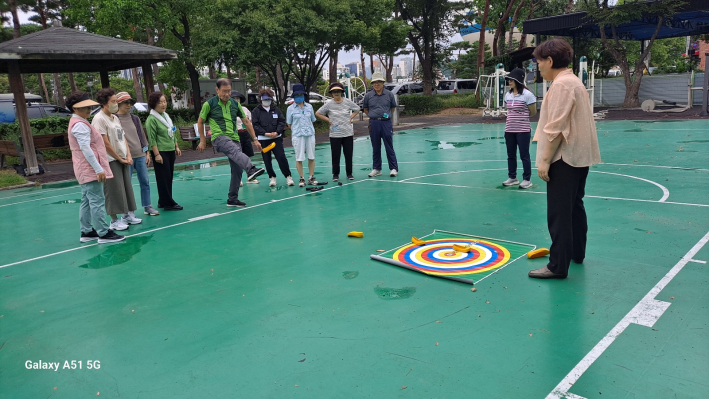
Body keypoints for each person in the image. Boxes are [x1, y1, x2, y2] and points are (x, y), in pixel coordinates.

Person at [528, 38, 601, 279]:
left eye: (539, 62)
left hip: (564, 158)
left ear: (549, 61)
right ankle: (576, 253)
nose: (537, 67)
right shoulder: (573, 81)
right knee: (574, 207)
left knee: (559, 214)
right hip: (579, 156)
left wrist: (545, 160)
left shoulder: (561, 85)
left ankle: (557, 265)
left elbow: (556, 128)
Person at [66, 91, 124, 243]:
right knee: (97, 201)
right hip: (89, 169)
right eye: (84, 107)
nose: (88, 110)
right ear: (74, 109)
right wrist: (98, 169)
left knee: (86, 200)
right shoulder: (80, 125)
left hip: (84, 169)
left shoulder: (78, 122)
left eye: (89, 107)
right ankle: (103, 233)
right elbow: (86, 148)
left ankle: (86, 231)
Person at [196, 79, 265, 206]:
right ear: (217, 90)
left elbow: (246, 122)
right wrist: (202, 140)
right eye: (224, 91)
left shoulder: (234, 104)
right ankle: (251, 169)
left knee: (237, 169)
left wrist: (255, 139)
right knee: (235, 152)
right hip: (219, 137)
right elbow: (200, 122)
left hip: (234, 138)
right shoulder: (209, 104)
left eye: (229, 91)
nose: (227, 94)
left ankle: (232, 199)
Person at [91, 88, 141, 230]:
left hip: (123, 158)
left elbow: (122, 137)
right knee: (113, 189)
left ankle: (127, 215)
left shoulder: (115, 118)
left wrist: (128, 155)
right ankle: (113, 220)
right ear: (104, 103)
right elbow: (104, 143)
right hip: (111, 160)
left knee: (125, 187)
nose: (115, 104)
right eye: (113, 102)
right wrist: (119, 158)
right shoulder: (99, 119)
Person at [114, 92, 159, 216]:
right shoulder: (114, 119)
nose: (129, 105)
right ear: (118, 104)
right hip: (125, 157)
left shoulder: (135, 118)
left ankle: (147, 206)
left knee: (145, 181)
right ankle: (128, 211)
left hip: (140, 155)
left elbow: (142, 136)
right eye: (125, 103)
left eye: (130, 103)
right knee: (126, 185)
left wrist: (147, 153)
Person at [146, 91, 183, 211]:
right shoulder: (152, 119)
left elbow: (172, 132)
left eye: (164, 101)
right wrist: (156, 154)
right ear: (153, 104)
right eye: (160, 102)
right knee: (163, 178)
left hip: (170, 149)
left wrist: (176, 146)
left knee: (168, 177)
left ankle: (163, 200)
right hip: (161, 152)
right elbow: (152, 139)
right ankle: (168, 203)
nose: (163, 104)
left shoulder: (165, 116)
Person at [316, 82, 360, 181]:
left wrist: (351, 118)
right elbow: (318, 113)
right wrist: (328, 120)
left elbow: (357, 109)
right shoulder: (328, 104)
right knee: (335, 155)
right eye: (334, 91)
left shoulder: (347, 102)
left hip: (348, 133)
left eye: (338, 91)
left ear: (342, 92)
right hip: (335, 134)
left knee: (348, 154)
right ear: (331, 93)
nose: (336, 93)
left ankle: (349, 173)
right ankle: (335, 174)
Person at [502, 68, 537, 189]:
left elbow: (533, 112)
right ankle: (513, 177)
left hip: (523, 130)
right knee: (511, 155)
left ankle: (527, 179)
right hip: (509, 130)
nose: (509, 82)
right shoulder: (508, 95)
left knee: (524, 155)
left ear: (518, 80)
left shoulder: (527, 95)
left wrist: (521, 118)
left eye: (512, 80)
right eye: (509, 80)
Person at [251, 88, 292, 187]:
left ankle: (288, 177)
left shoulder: (275, 109)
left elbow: (281, 121)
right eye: (265, 99)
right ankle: (272, 178)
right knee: (267, 159)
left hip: (276, 138)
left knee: (281, 157)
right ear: (261, 100)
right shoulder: (256, 111)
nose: (267, 101)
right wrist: (265, 133)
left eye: (269, 99)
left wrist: (277, 132)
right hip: (263, 139)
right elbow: (255, 125)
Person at [363, 72, 398, 177]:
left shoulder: (389, 94)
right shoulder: (368, 96)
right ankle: (377, 169)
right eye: (374, 82)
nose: (376, 84)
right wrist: (373, 116)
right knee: (375, 147)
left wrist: (385, 116)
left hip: (386, 123)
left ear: (383, 83)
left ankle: (393, 168)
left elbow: (392, 108)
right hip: (373, 123)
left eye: (378, 82)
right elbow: (365, 109)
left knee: (389, 146)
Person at [286, 83, 319, 187]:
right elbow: (289, 123)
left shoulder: (309, 106)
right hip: (298, 135)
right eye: (297, 95)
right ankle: (302, 178)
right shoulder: (290, 109)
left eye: (301, 94)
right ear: (294, 96)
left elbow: (313, 119)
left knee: (311, 156)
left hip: (309, 134)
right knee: (299, 157)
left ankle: (311, 177)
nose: (299, 97)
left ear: (304, 95)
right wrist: (297, 130)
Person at [231, 90, 259, 187]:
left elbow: (249, 122)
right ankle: (237, 180)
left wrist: (254, 137)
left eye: (237, 98)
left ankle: (250, 177)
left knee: (247, 156)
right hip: (235, 134)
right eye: (234, 99)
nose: (236, 100)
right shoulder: (229, 110)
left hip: (245, 134)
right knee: (237, 157)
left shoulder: (245, 109)